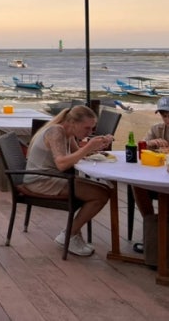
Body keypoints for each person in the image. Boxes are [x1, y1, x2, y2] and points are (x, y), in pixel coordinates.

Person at [23, 105, 112, 256]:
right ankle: (69, 235)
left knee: (104, 190)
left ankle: (72, 234)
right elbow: (62, 164)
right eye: (87, 128)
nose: (89, 132)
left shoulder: (67, 132)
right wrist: (88, 147)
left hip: (51, 177)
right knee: (100, 195)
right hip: (40, 181)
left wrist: (97, 145)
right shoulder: (56, 132)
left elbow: (78, 155)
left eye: (92, 128)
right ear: (72, 122)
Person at [132, 97, 169, 243]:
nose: (167, 119)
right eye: (164, 116)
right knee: (137, 185)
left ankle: (162, 231)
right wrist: (150, 143)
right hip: (159, 174)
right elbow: (138, 148)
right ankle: (152, 227)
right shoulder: (157, 129)